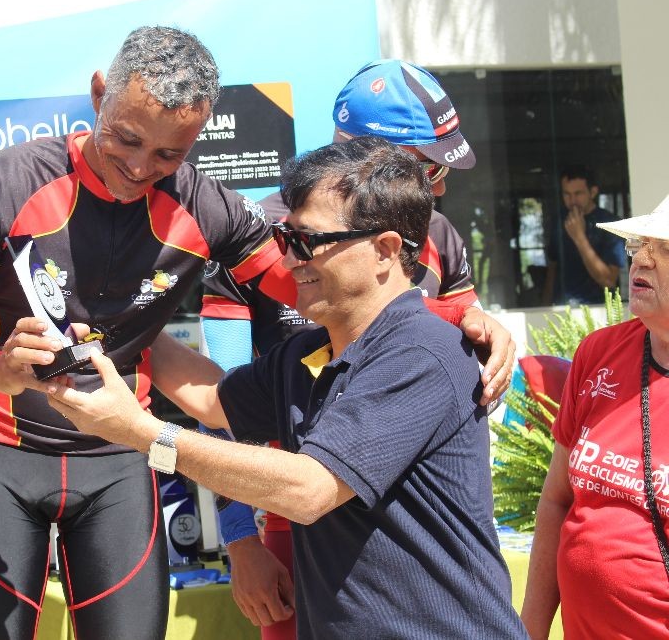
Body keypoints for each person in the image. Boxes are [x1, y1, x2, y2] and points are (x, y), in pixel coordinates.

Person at [0, 26, 515, 639]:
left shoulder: (207, 208)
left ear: (200, 134)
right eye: (126, 138)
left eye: (169, 154)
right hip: (3, 447)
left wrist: (461, 317)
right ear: (99, 95)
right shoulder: (9, 182)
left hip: (119, 458)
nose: (139, 167)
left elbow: (338, 286)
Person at [38, 136, 528, 639]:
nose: (289, 260)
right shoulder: (311, 351)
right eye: (284, 238)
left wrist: (144, 434)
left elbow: (310, 489)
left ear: (385, 250)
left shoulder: (419, 353)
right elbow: (212, 401)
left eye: (307, 242)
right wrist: (119, 319)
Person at [199, 57, 483, 636]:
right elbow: (219, 401)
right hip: (289, 511)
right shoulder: (265, 236)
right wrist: (240, 540)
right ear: (371, 153)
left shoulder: (440, 235)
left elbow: (460, 352)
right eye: (430, 167)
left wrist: (485, 328)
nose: (440, 186)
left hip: (411, 523)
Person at [521, 194, 669, 639]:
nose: (641, 260)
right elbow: (556, 501)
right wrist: (530, 630)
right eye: (637, 245)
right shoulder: (599, 353)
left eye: (663, 249)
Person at [541, 165, 625, 305]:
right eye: (566, 194)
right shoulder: (560, 220)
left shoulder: (610, 223)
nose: (572, 200)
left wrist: (579, 237)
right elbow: (553, 267)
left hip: (598, 307)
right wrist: (545, 304)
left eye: (578, 193)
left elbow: (609, 280)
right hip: (561, 306)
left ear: (593, 192)